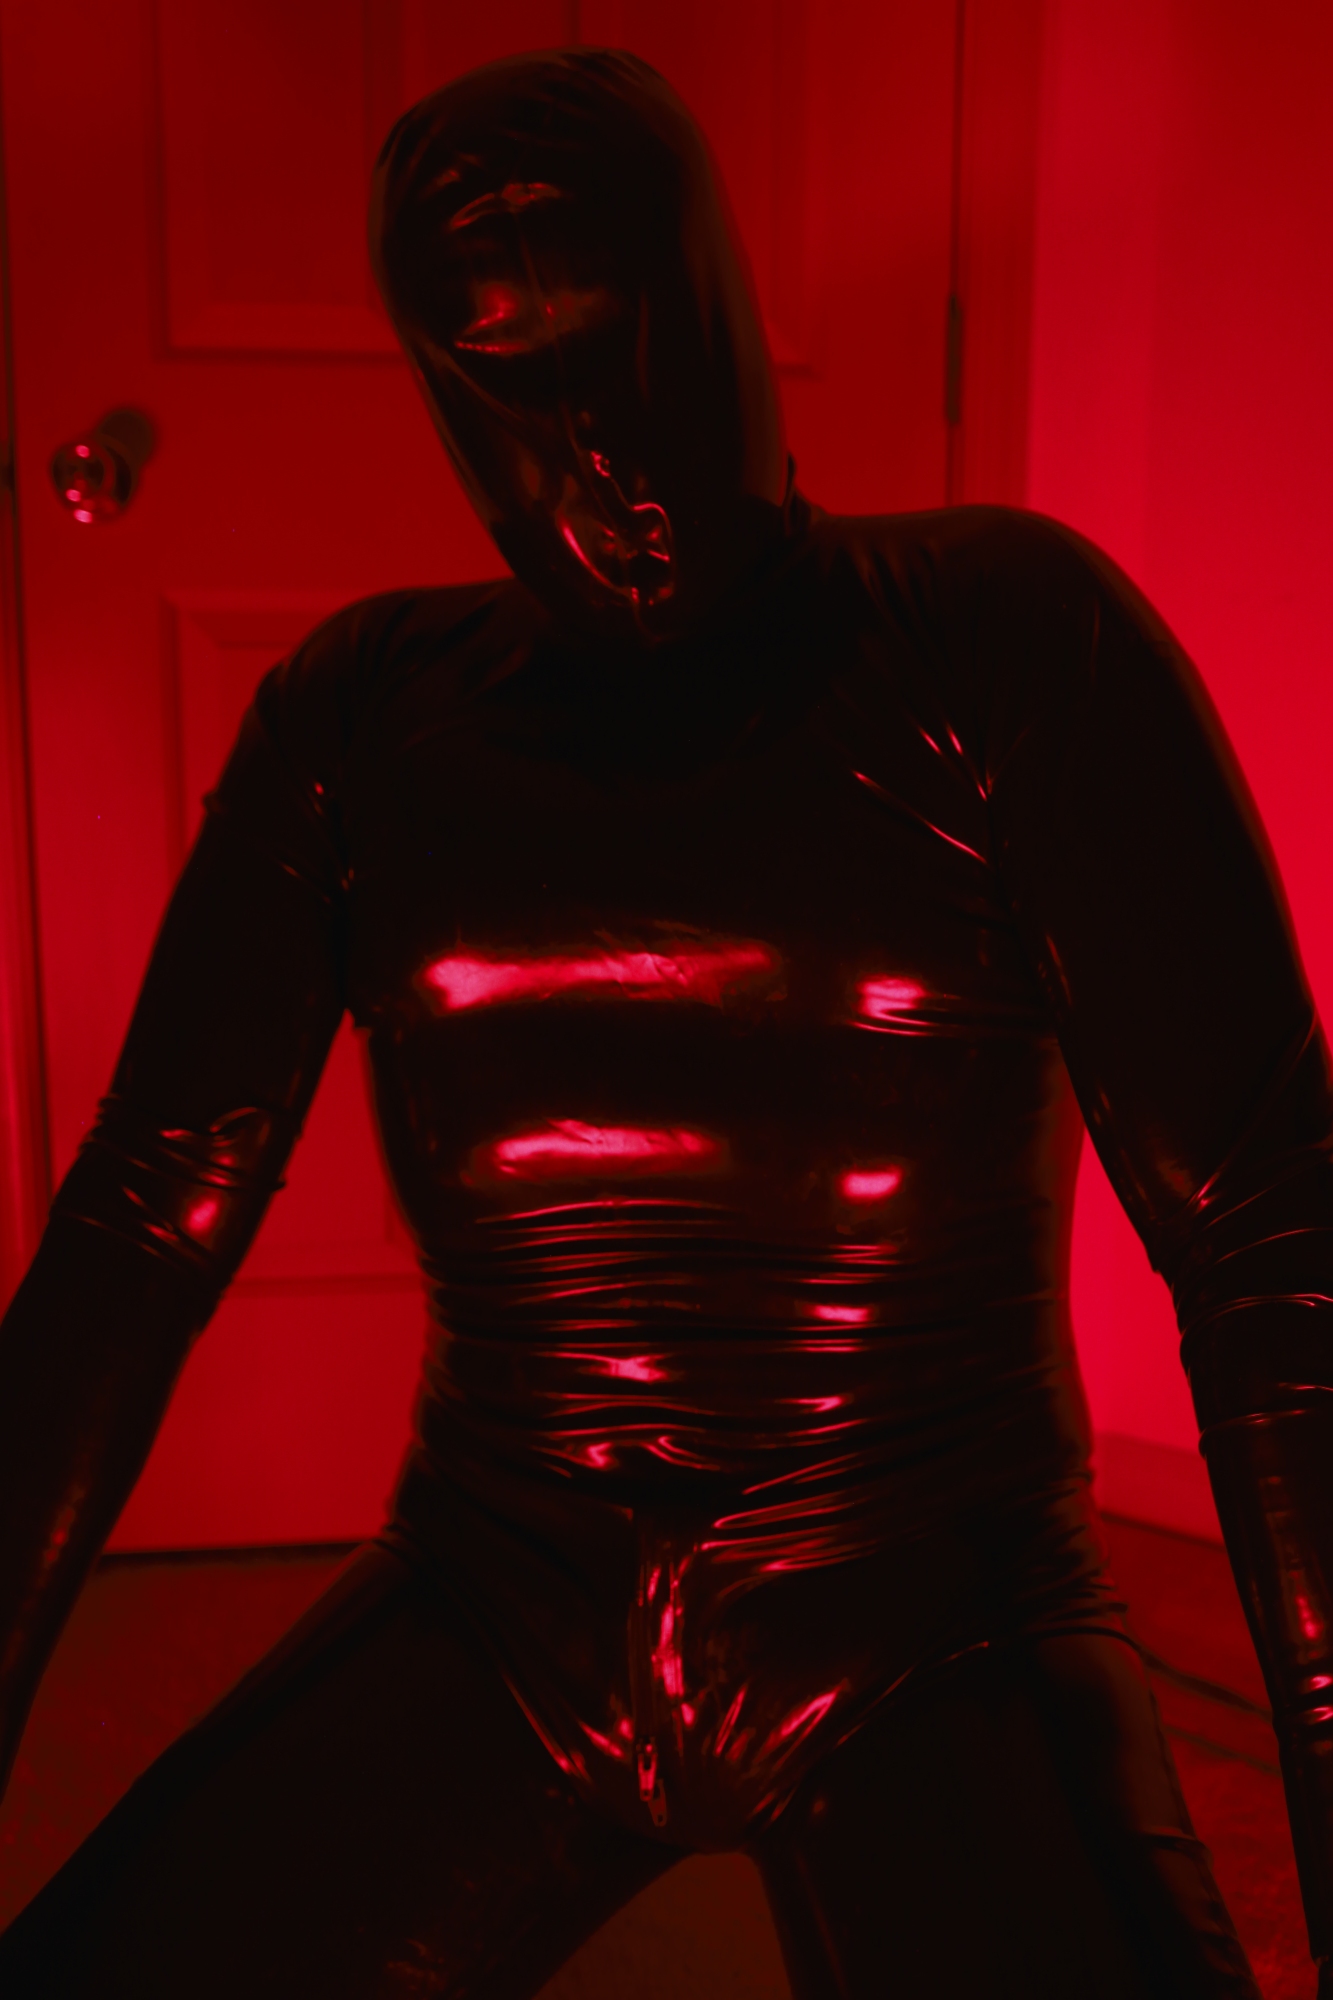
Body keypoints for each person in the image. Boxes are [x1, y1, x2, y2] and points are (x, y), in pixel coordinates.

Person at [0, 45, 1328, 1999]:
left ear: (728, 311)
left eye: (642, 353)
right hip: (505, 1596)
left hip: (932, 1602)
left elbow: (1270, 1241)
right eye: (508, 383)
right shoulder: (360, 719)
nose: (603, 453)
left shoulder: (1003, 635)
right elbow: (136, 1224)